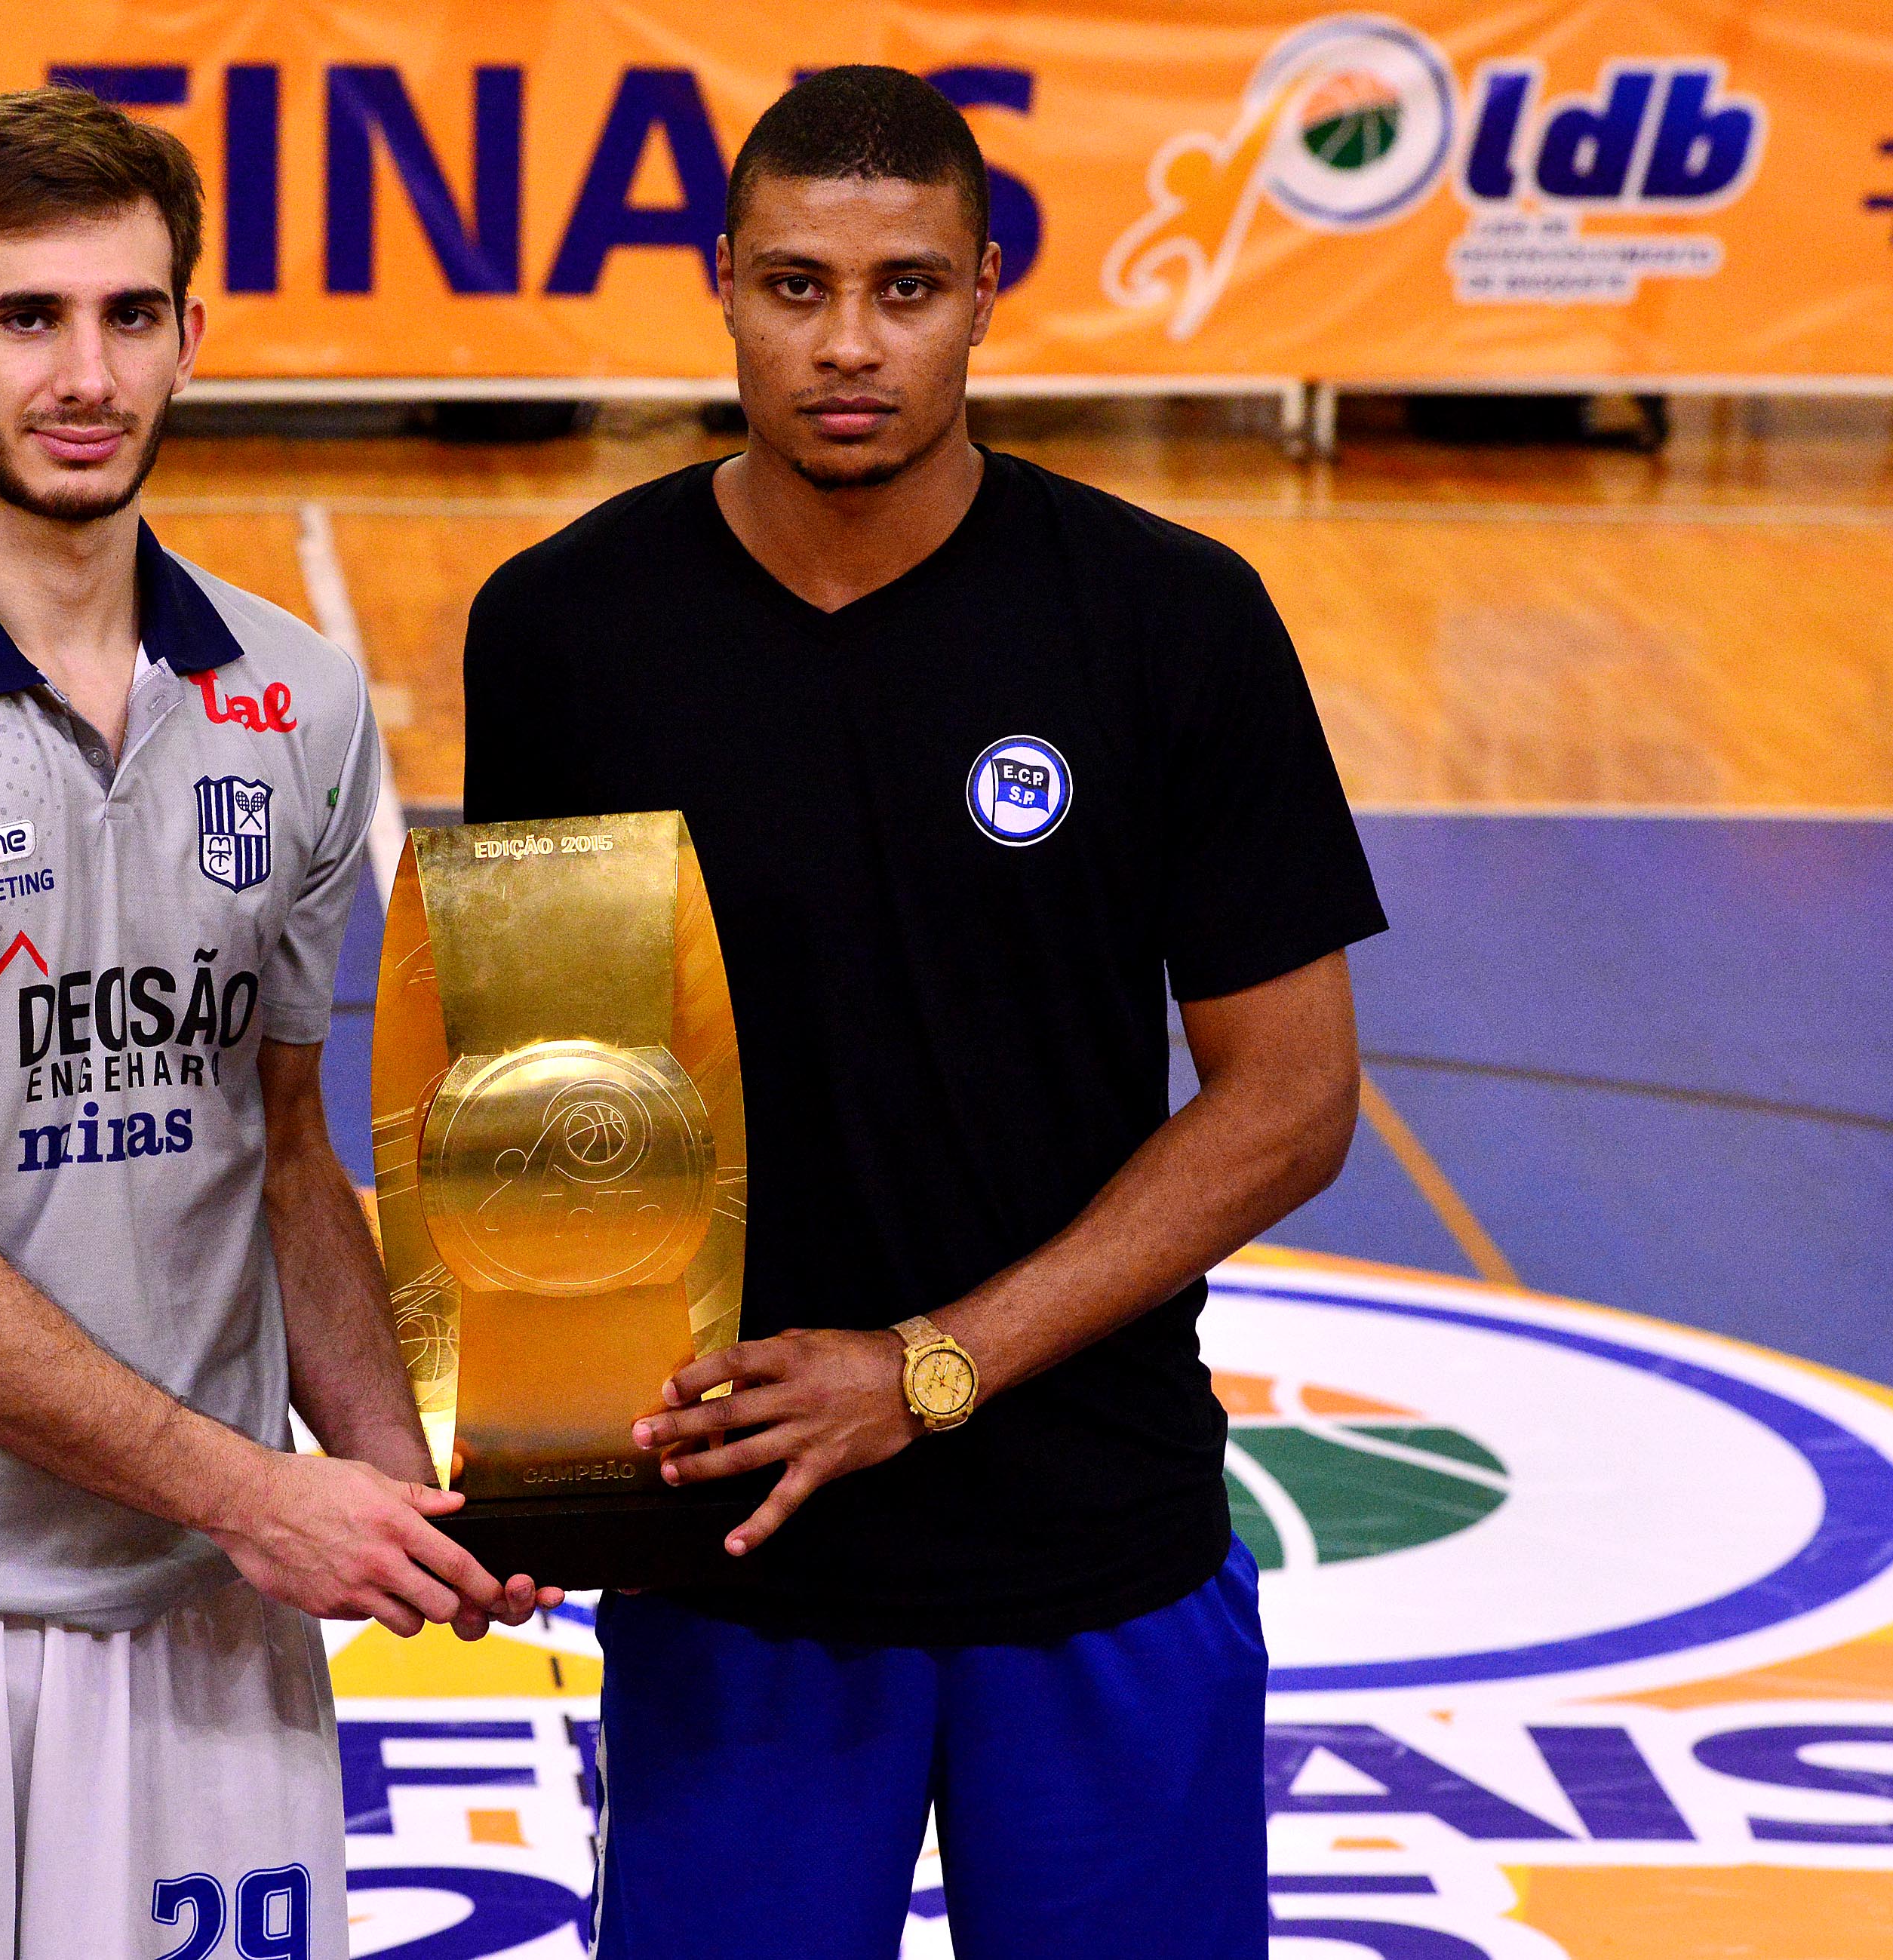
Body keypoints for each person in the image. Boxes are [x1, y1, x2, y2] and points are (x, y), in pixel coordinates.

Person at [460, 64, 1388, 1960]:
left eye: (903, 289)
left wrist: (929, 1365)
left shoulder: (1166, 618)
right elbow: (557, 1088)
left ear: (985, 289)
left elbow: (1287, 1101)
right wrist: (549, 1474)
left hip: (1098, 1549)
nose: (846, 346)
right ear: (718, 283)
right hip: (739, 1578)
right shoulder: (562, 624)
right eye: (795, 287)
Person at [0, 88, 542, 1960]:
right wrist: (263, 1497)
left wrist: (399, 1485)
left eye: (129, 316)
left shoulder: (297, 701)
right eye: (25, 317)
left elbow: (280, 1156)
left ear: (188, 334)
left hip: (199, 1616)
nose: (86, 374)